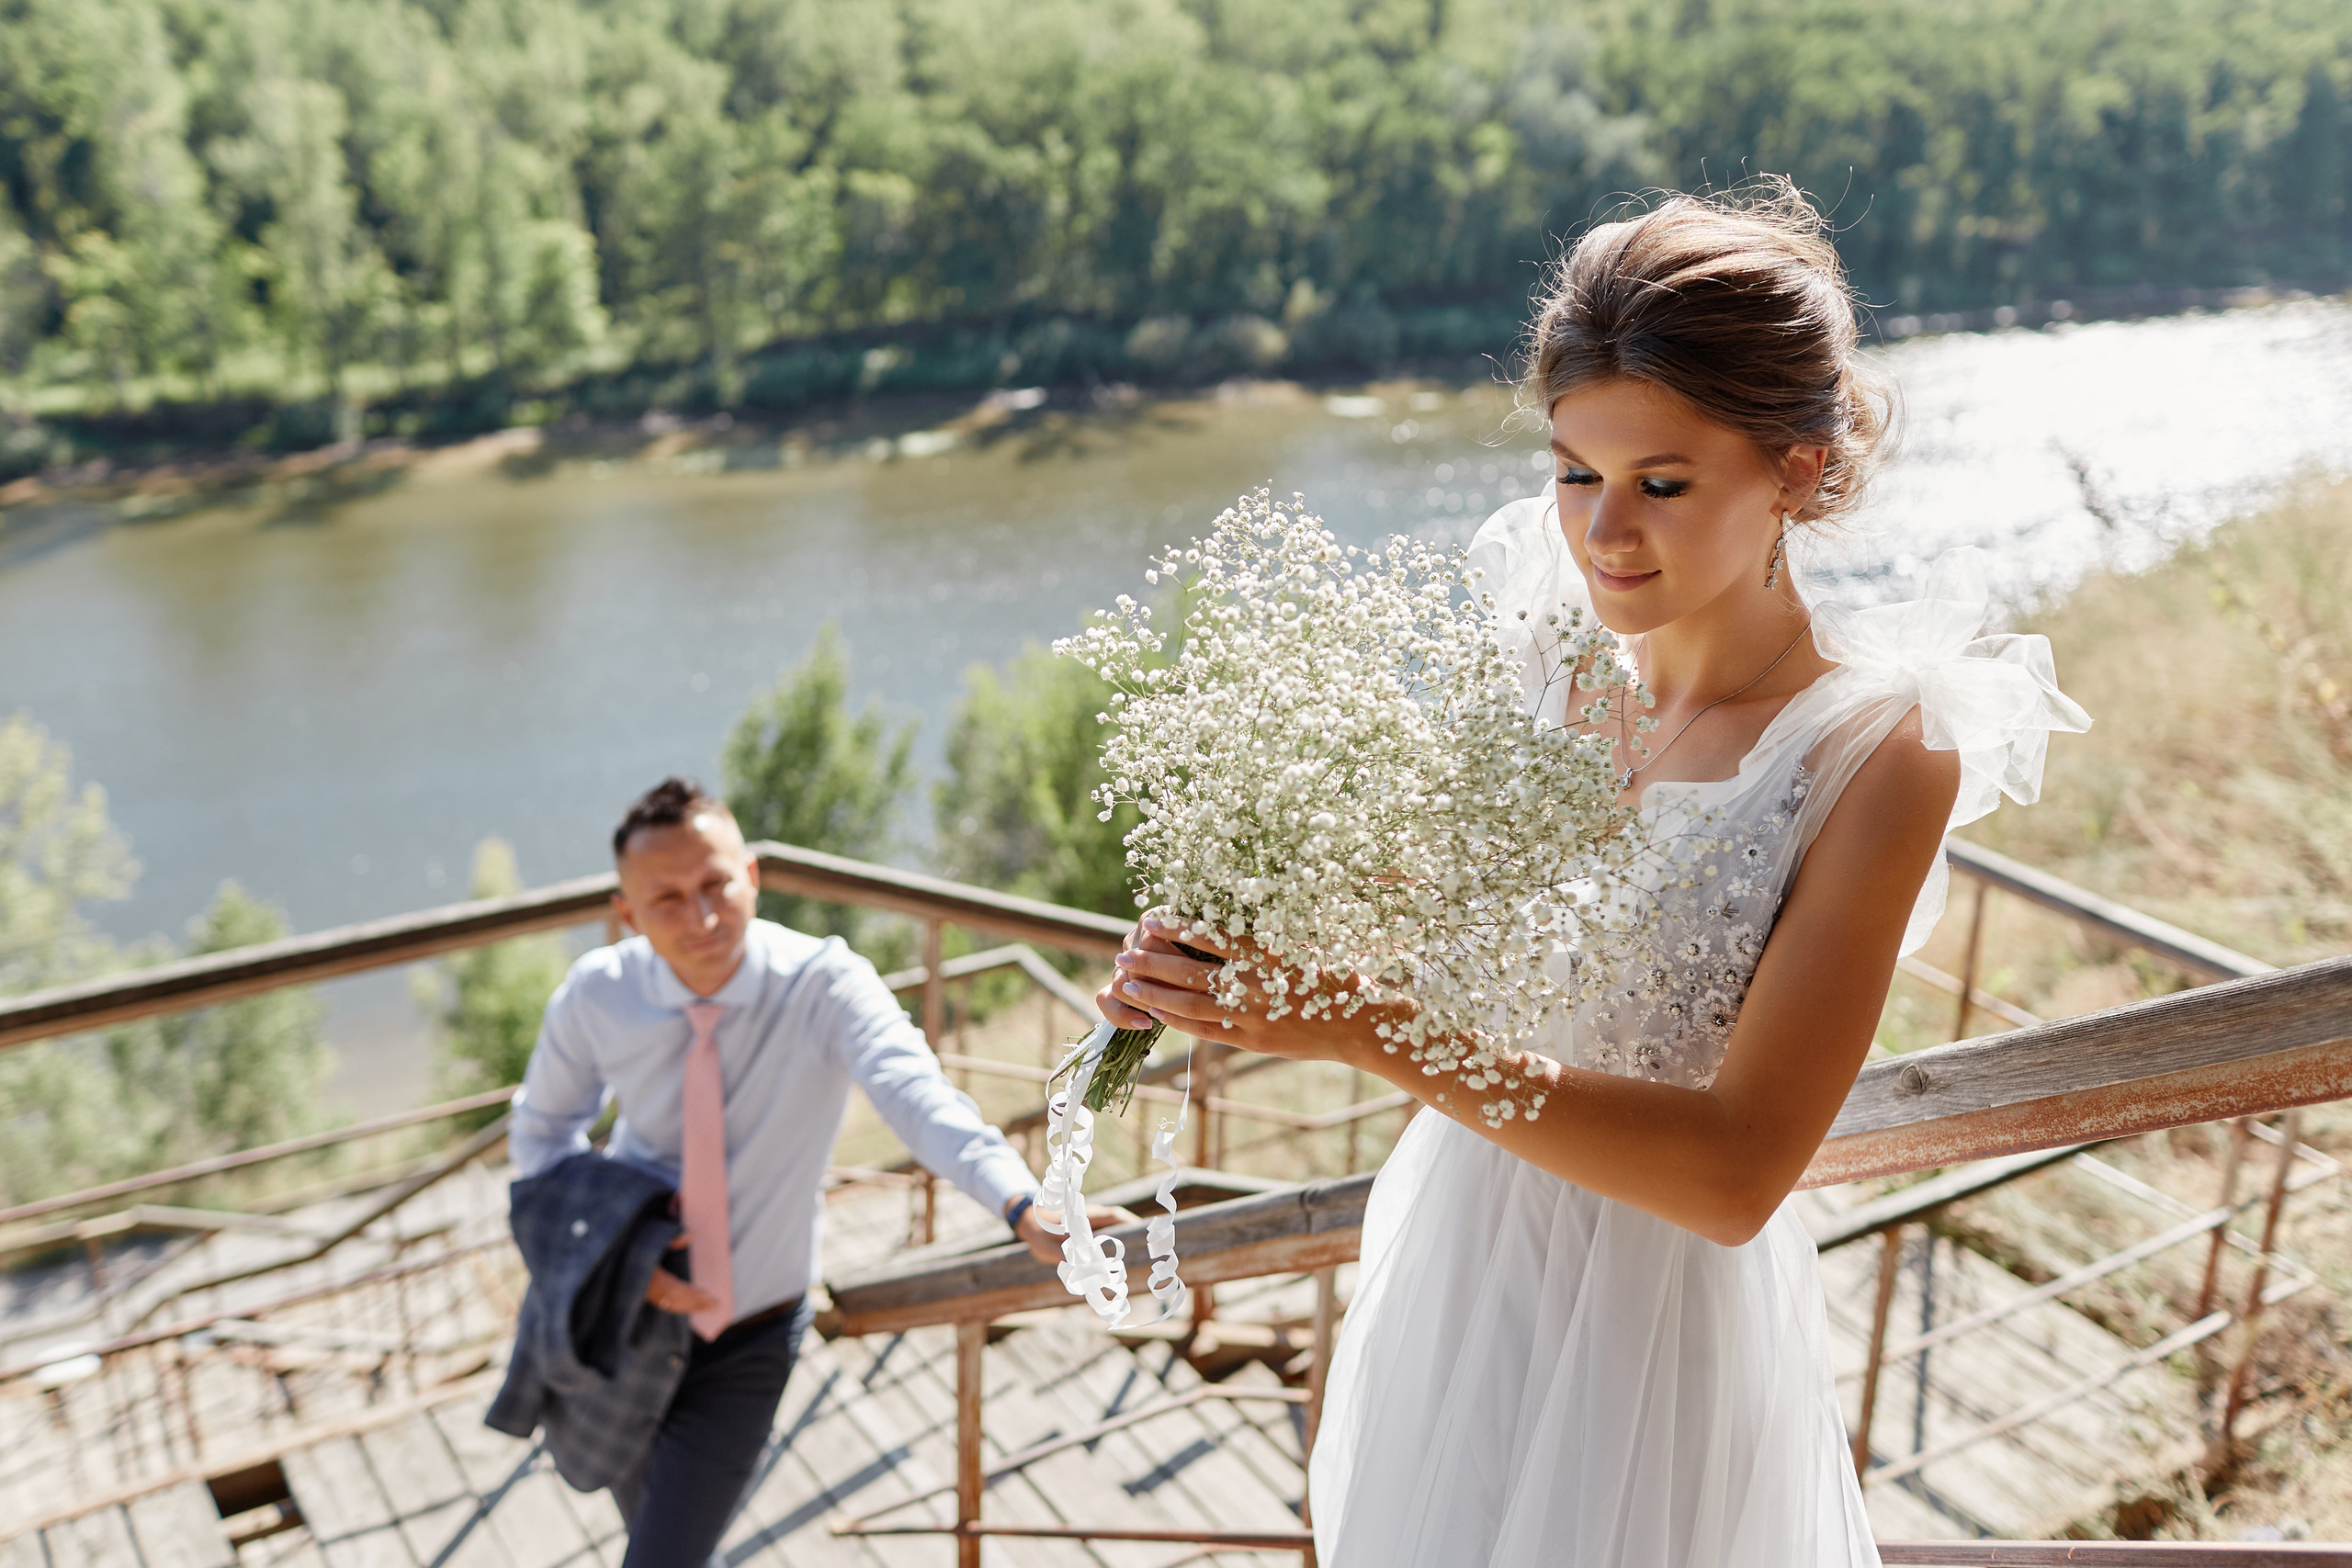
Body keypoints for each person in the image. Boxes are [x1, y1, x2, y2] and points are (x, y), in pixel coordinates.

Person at [1100, 183, 2089, 1567]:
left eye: (1661, 485)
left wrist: (1363, 1030)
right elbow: (1436, 921)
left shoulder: (1877, 752)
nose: (1604, 534)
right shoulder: (1551, 660)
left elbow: (1736, 1174)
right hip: (1460, 1259)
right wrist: (1238, 940)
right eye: (1576, 473)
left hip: (1651, 1328)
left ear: (1796, 471)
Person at [504, 777, 1086, 1568]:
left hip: (750, 1334)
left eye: (716, 884)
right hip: (626, 1312)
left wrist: (1022, 1203)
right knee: (663, 1539)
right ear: (627, 913)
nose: (701, 916)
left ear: (751, 876)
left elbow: (917, 1095)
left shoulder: (824, 983)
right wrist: (622, 1260)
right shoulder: (597, 994)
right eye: (666, 898)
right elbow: (540, 1137)